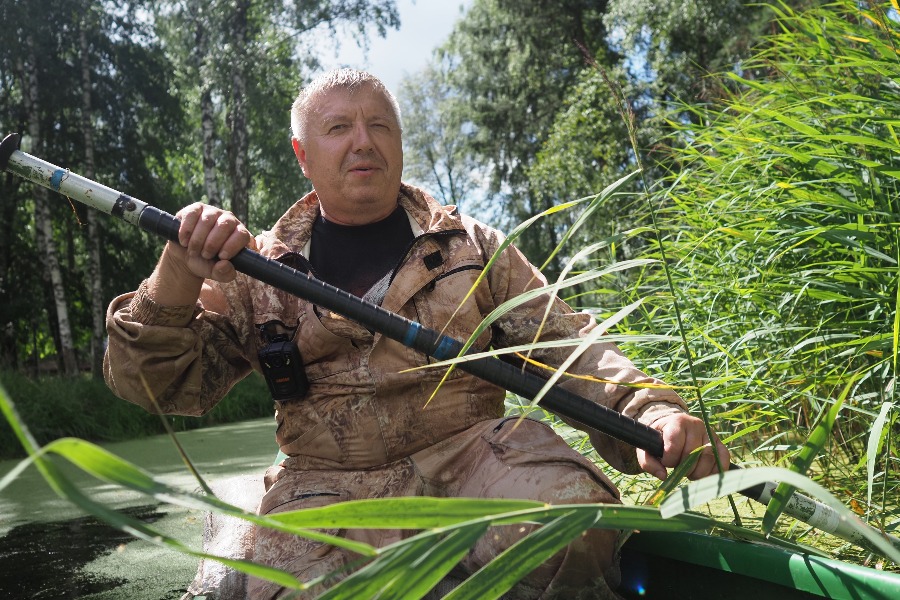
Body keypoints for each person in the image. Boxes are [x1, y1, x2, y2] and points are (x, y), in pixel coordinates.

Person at [104, 68, 729, 600]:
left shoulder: (474, 247)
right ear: (302, 154)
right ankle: (243, 519)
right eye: (338, 127)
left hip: (472, 456)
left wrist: (653, 409)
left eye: (380, 125)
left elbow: (568, 346)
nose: (362, 142)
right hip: (323, 485)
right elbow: (156, 388)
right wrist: (176, 273)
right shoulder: (253, 269)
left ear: (399, 143)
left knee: (573, 527)